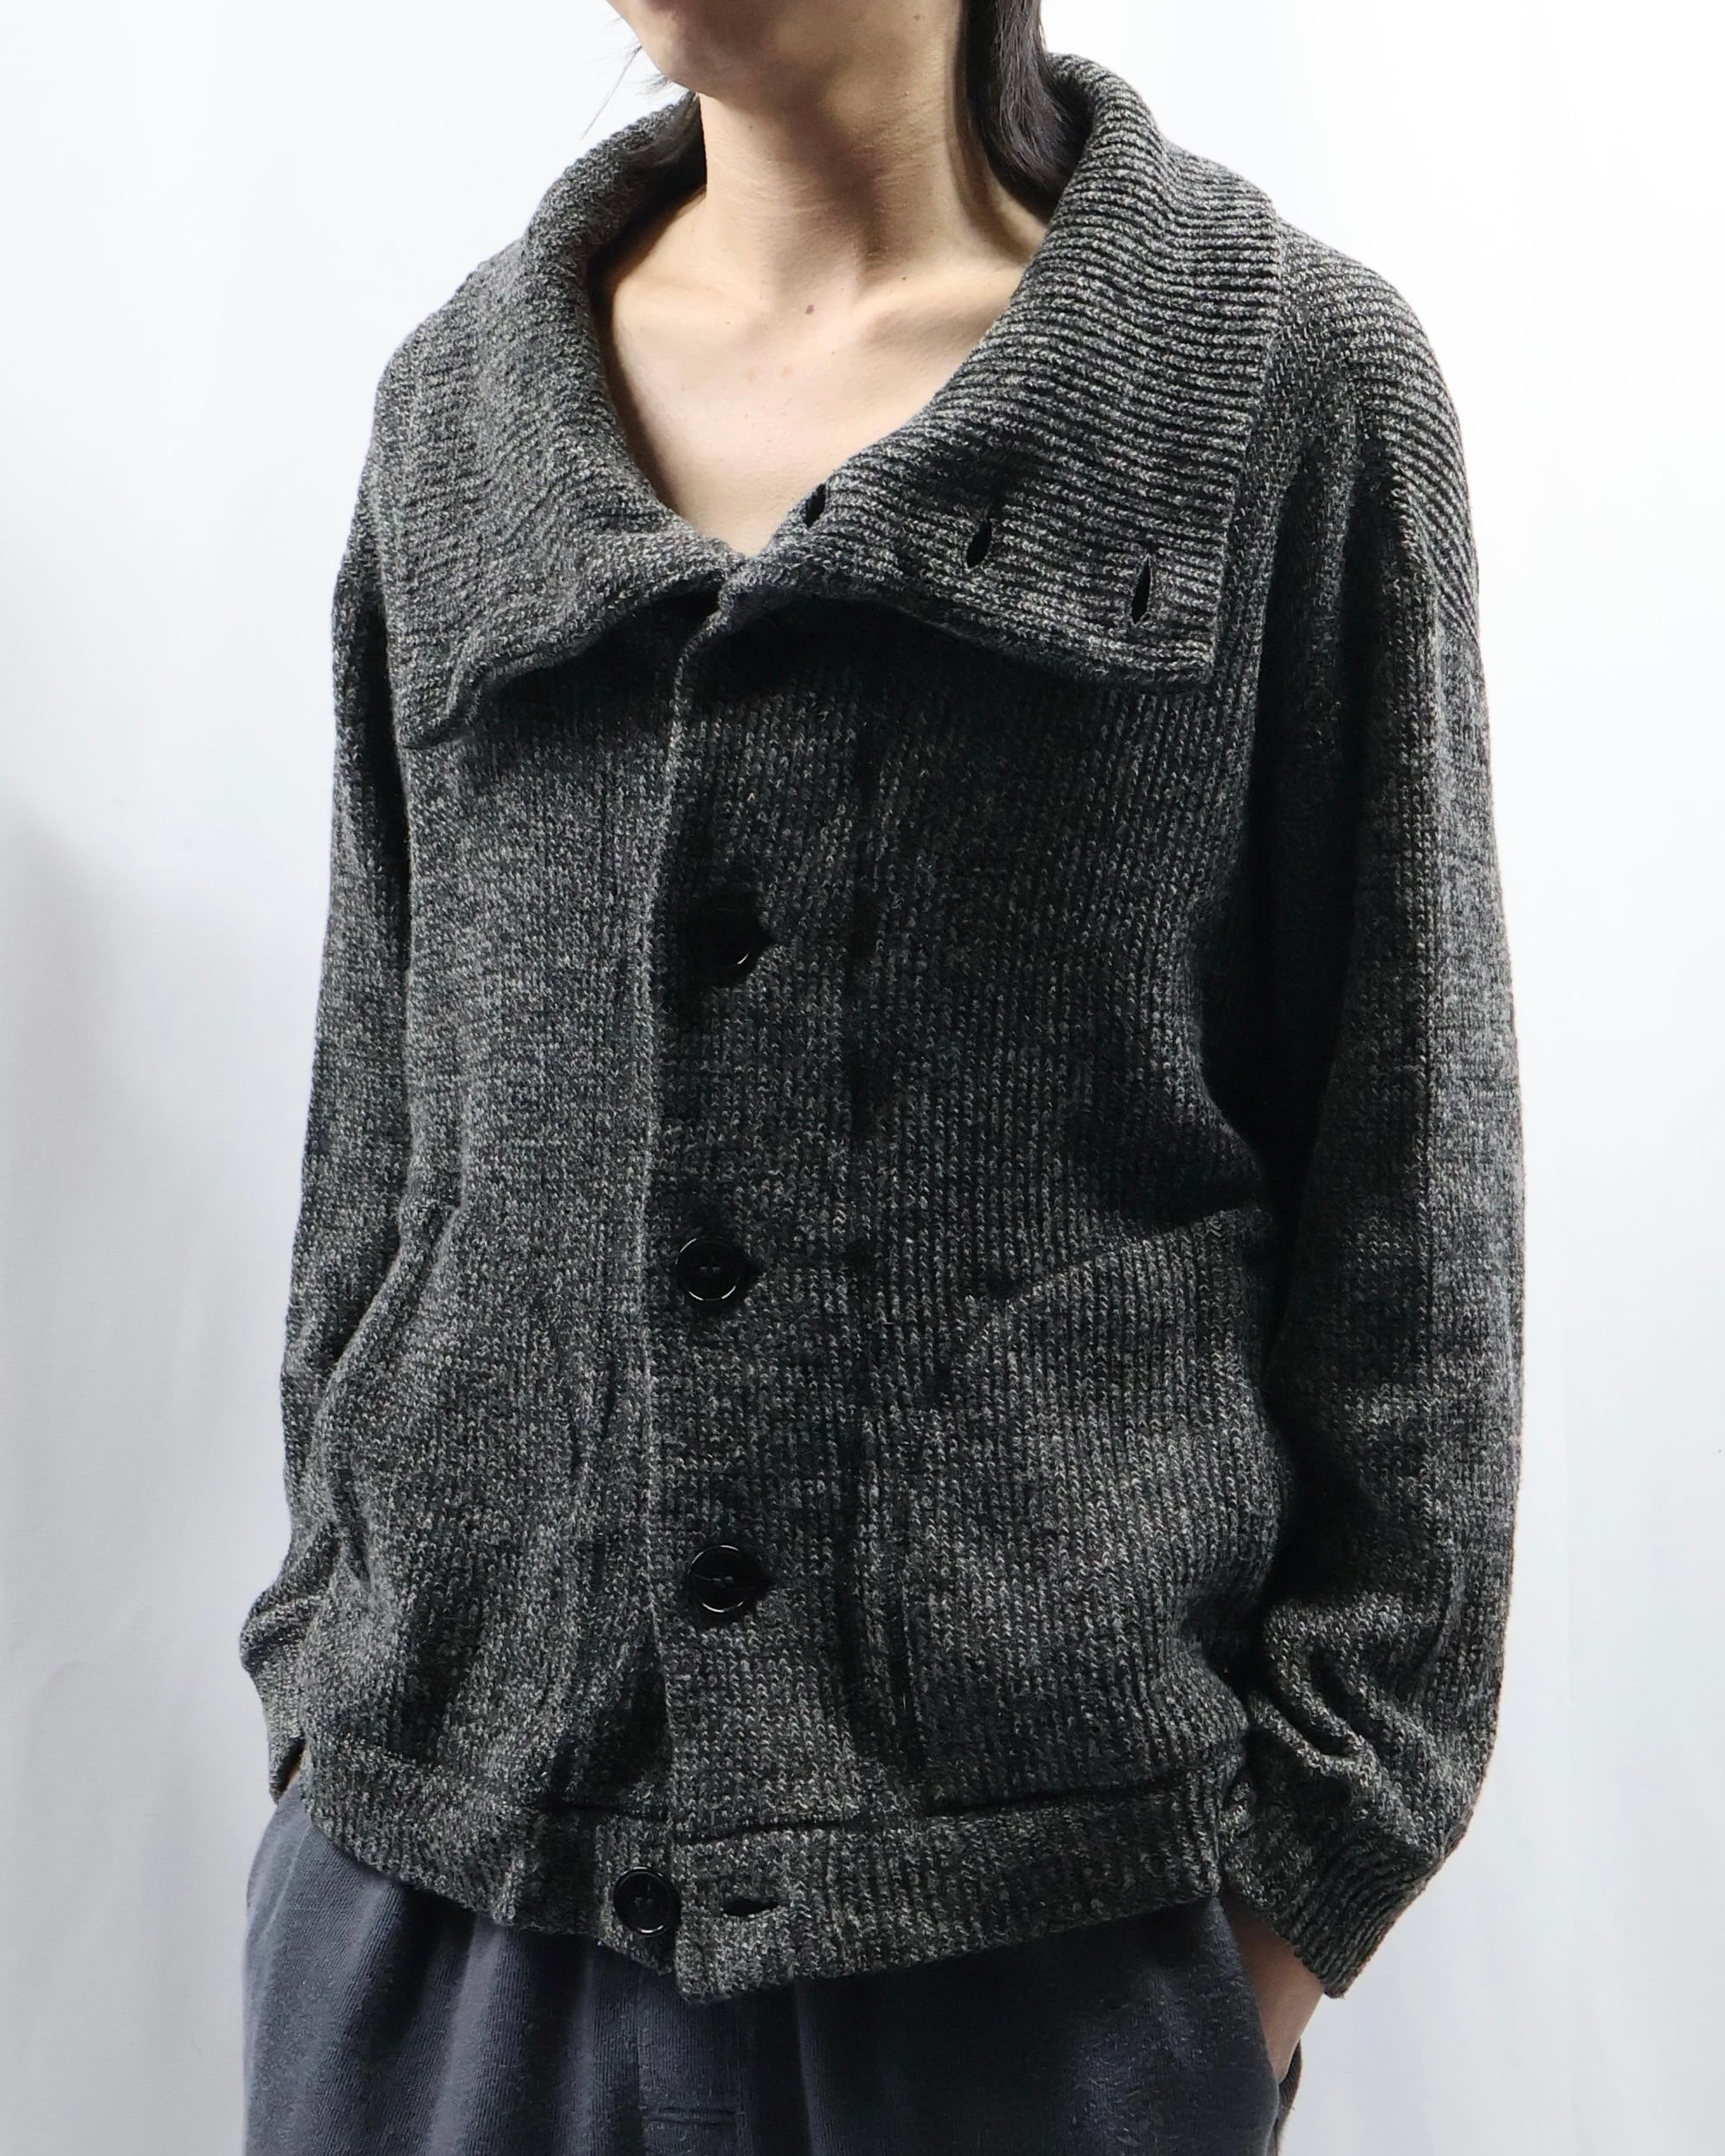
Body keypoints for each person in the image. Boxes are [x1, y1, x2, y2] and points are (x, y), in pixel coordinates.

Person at [237, 3, 1524, 2150]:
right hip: (435, 1915)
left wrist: (1290, 1896)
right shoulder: (459, 411)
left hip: (1042, 1962)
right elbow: (375, 1139)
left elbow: (1416, 1184)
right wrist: (320, 1697)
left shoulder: (1277, 389)